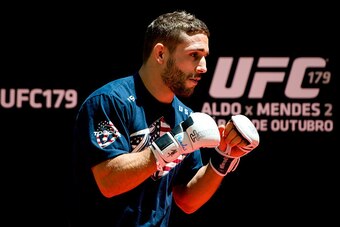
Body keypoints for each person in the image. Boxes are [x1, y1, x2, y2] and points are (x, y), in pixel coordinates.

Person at [68, 10, 259, 227]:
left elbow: (187, 201)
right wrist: (176, 143)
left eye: (205, 57)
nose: (204, 67)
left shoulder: (185, 116)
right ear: (161, 54)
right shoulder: (110, 101)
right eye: (194, 55)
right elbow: (109, 182)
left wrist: (224, 157)